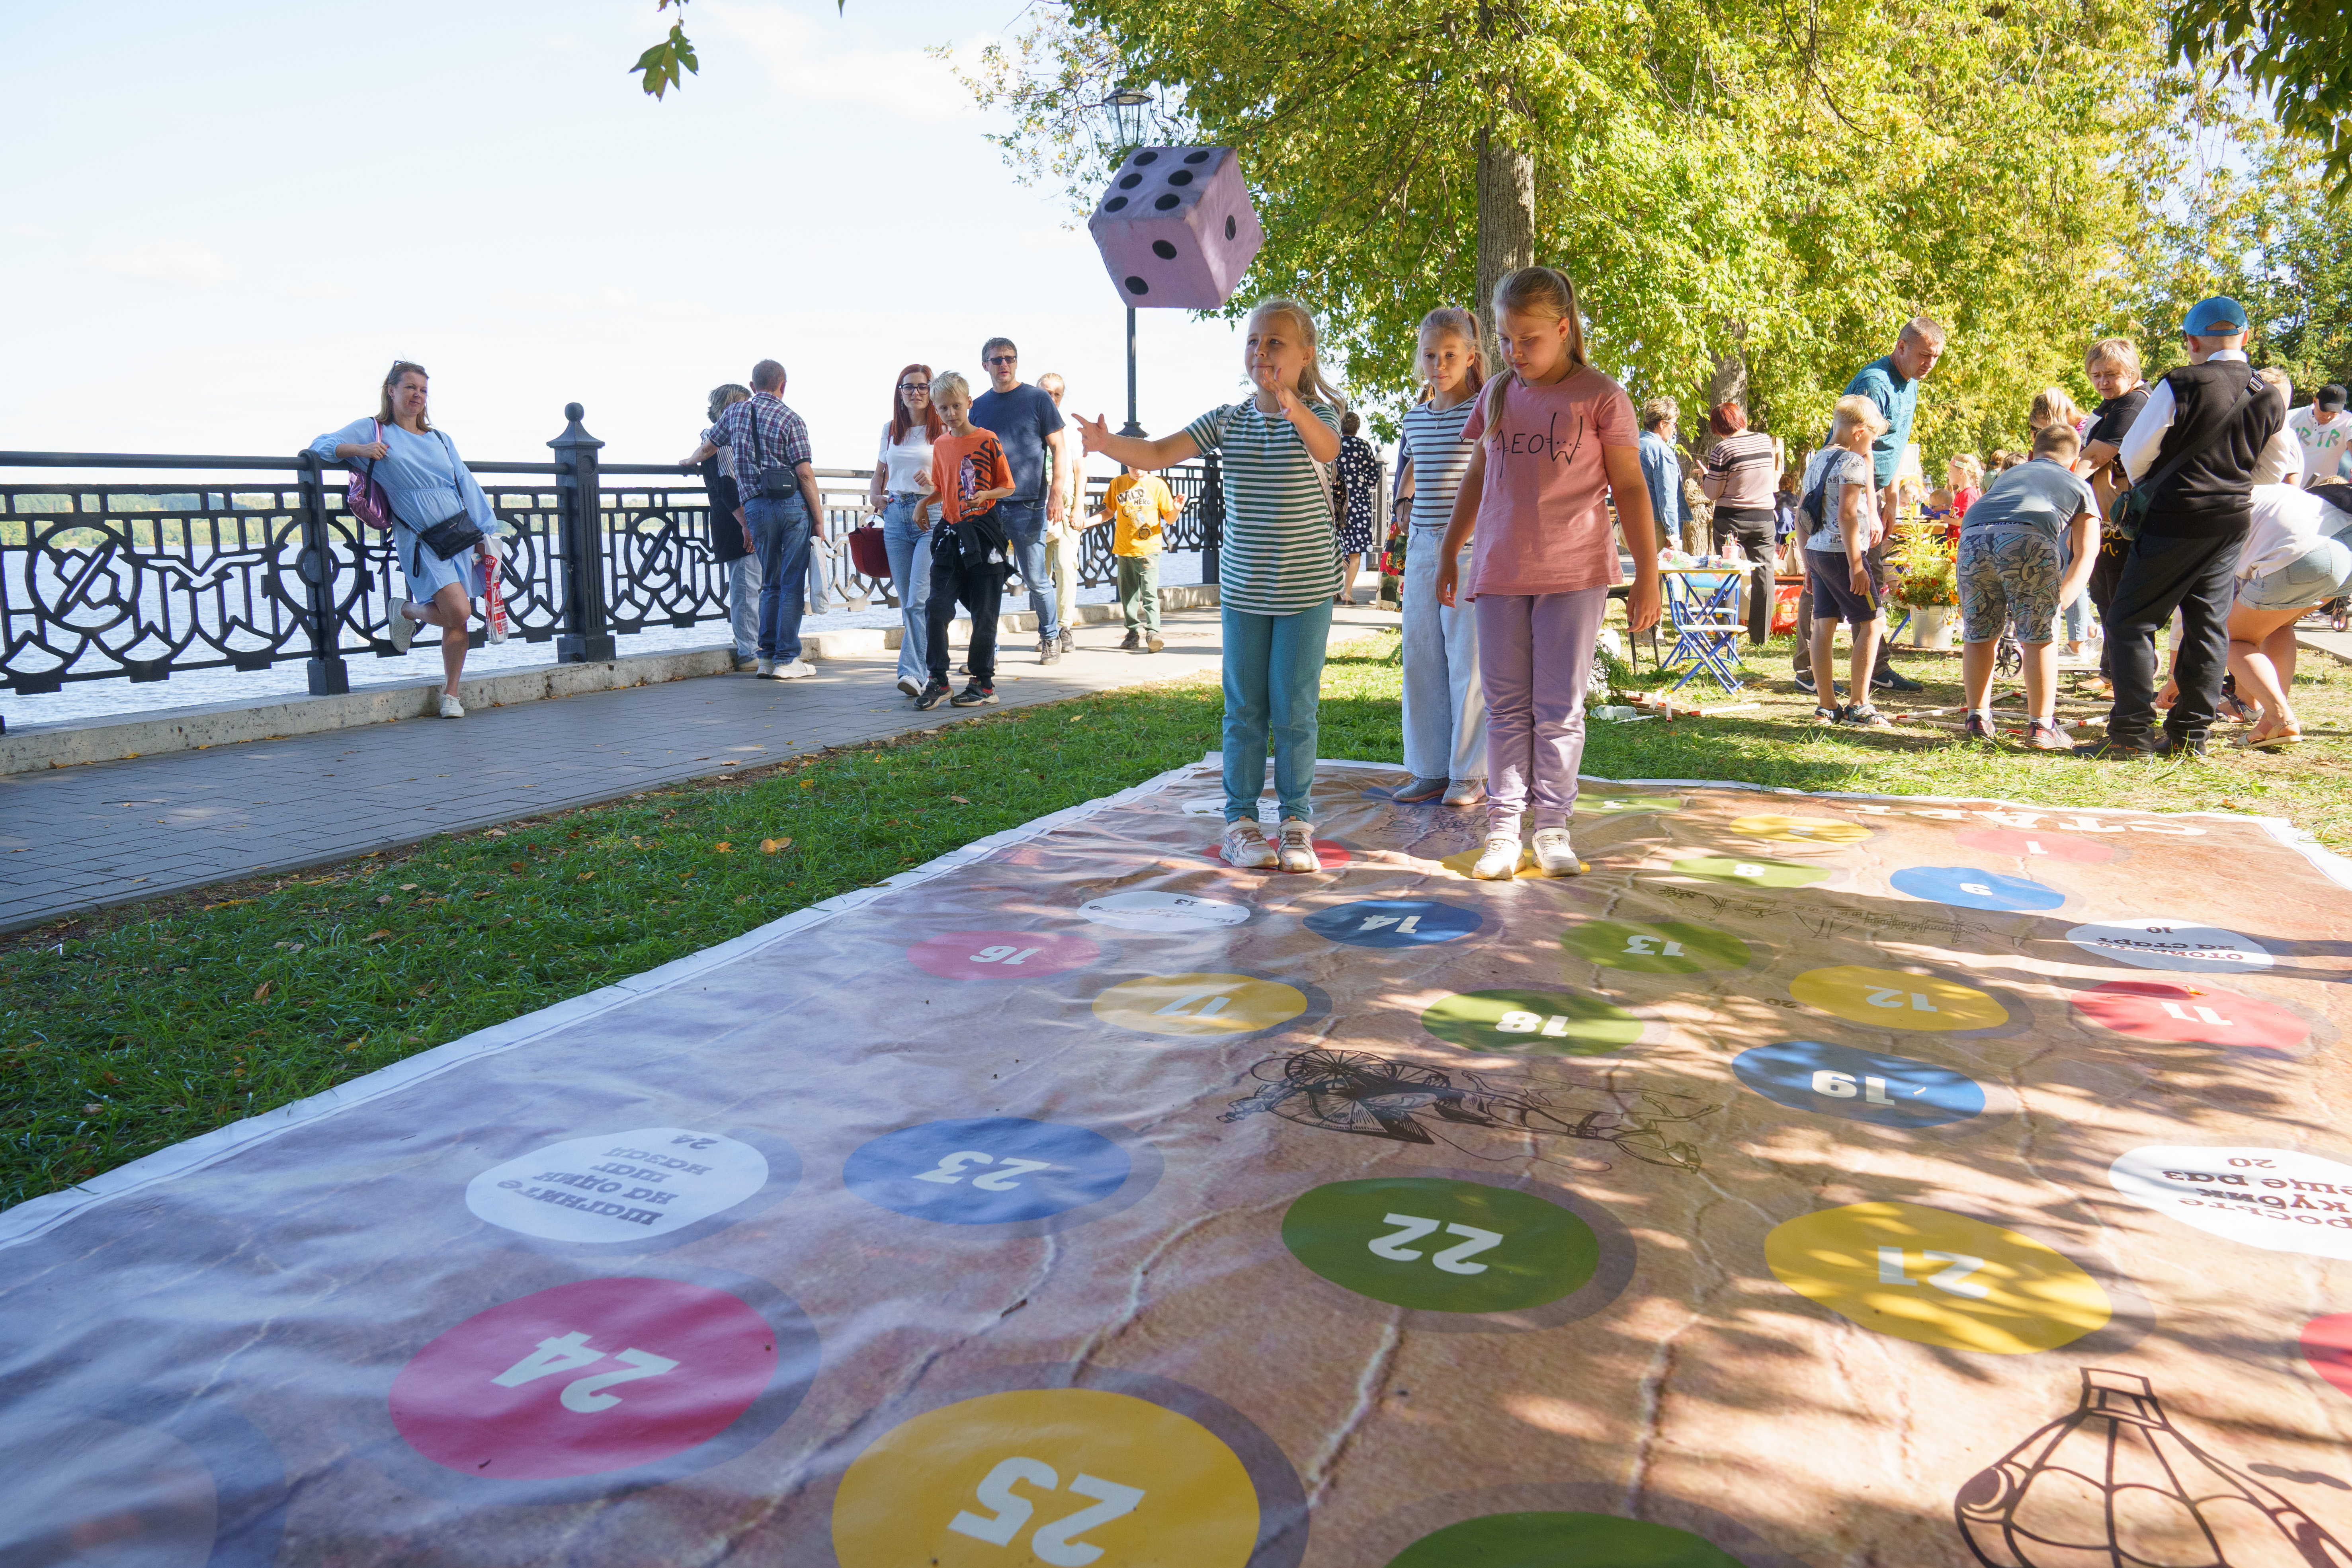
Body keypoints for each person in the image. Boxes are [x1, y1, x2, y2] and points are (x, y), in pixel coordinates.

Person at [1076, 296, 1346, 873]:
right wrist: (1107, 444)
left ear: (1305, 355)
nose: (1261, 350)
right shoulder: (1229, 420)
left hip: (1305, 591)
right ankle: (1241, 822)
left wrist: (1291, 403)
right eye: (1254, 340)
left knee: (1295, 708)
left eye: (1275, 341)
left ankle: (1296, 822)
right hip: (1246, 589)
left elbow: (1328, 448)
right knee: (1245, 707)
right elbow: (1156, 452)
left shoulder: (1319, 417)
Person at [1435, 266, 1664, 880]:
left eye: (1529, 339)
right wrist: (1451, 549)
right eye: (1507, 340)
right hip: (1501, 569)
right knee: (1506, 706)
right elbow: (1478, 478)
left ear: (1564, 329)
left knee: (1559, 707)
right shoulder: (1498, 393)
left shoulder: (1602, 396)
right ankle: (1504, 829)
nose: (1516, 352)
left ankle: (1554, 826)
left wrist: (1649, 573)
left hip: (1575, 573)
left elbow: (1632, 488)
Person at [2089, 296, 2295, 757]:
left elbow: (2137, 452)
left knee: (2130, 621)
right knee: (2208, 625)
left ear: (2192, 341)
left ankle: (2131, 735)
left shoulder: (2181, 381)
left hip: (2174, 515)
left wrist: (2160, 486)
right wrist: (2228, 483)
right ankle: (2189, 738)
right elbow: (2275, 466)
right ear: (2246, 337)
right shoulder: (2266, 391)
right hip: (2230, 519)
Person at [311, 361, 502, 718]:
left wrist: (486, 533)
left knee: (458, 619)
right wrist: (361, 450)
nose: (418, 395)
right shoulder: (375, 430)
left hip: (459, 534)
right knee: (460, 610)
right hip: (420, 538)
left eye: (424, 390)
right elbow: (320, 447)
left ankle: (451, 694)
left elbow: (466, 484)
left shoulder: (441, 439)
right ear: (392, 390)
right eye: (411, 387)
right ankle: (405, 610)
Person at [1393, 306, 1489, 807]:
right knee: (1422, 656)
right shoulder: (1413, 417)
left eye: (1450, 354)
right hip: (1423, 545)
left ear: (1471, 356)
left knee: (1466, 662)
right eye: (1430, 354)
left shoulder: (1483, 412)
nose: (1439, 363)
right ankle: (1429, 768)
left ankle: (1469, 773)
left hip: (1470, 546)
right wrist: (1401, 505)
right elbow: (1410, 469)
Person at [1953, 423, 2100, 748]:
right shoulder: (2077, 483)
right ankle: (2042, 727)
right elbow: (2087, 553)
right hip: (2027, 538)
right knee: (2038, 636)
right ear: (2074, 461)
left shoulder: (2008, 476)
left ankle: (1978, 718)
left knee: (1980, 631)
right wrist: (2059, 602)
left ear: (2032, 454)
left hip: (1973, 537)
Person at [1831, 317, 1945, 695]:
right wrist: (1868, 502)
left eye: (1936, 357)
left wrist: (1891, 499)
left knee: (1873, 578)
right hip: (1845, 488)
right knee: (1828, 576)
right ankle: (1806, 669)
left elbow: (1892, 447)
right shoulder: (1875, 383)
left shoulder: (1911, 385)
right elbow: (1858, 446)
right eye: (1924, 355)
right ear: (1902, 347)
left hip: (1876, 491)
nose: (1930, 363)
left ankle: (1877, 668)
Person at [691, 359, 823, 680]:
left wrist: (689, 459)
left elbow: (709, 447)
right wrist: (818, 519)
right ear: (784, 385)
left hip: (755, 508)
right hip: (791, 506)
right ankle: (788, 658)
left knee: (769, 584)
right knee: (791, 583)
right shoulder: (792, 418)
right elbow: (804, 474)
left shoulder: (735, 413)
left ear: (752, 387)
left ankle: (765, 658)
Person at [2212, 480, 2352, 747]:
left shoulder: (2201, 510)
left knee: (2229, 638)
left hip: (2305, 556)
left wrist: (2180, 675)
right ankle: (2271, 719)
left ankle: (2279, 717)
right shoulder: (2272, 492)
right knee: (2278, 624)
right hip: (2346, 553)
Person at [913, 372, 1016, 711]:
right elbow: (944, 488)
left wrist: (987, 493)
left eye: (957, 406)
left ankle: (983, 683)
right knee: (936, 606)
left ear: (969, 403)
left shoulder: (988, 440)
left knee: (984, 613)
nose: (951, 413)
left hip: (984, 532)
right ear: (936, 410)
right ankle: (938, 680)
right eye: (943, 408)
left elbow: (1009, 486)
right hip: (950, 531)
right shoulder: (941, 444)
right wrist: (923, 502)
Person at [970, 338, 1069, 664]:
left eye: (1009, 359)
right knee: (987, 583)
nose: (1004, 365)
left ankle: (1051, 637)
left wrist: (1057, 491)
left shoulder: (1038, 399)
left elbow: (1059, 447)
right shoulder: (979, 407)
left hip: (1028, 504)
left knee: (1036, 578)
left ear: (1016, 362)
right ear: (985, 365)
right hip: (988, 505)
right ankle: (988, 652)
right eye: (997, 359)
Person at [1799, 394, 1895, 729]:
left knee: (1823, 625)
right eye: (1873, 436)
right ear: (1859, 432)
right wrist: (1858, 565)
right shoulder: (1852, 462)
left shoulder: (1816, 460)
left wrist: (1807, 564)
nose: (1874, 444)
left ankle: (1827, 705)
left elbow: (1802, 514)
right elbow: (1848, 514)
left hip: (1817, 551)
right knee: (1873, 623)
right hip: (1843, 554)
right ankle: (1859, 703)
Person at [2077, 338, 2151, 698]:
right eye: (2096, 375)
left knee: (2123, 598)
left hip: (2126, 518)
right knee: (2105, 594)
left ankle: (2131, 677)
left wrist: (2055, 485)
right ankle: (2111, 672)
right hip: (2108, 517)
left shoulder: (2134, 403)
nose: (2102, 382)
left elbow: (2094, 456)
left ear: (2132, 372)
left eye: (2110, 374)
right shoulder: (2112, 404)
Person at [867, 363, 940, 699]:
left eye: (922, 387)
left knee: (918, 599)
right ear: (900, 393)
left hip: (931, 515)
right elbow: (880, 471)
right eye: (908, 387)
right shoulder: (890, 429)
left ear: (932, 390)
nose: (915, 393)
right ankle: (930, 667)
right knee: (909, 601)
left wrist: (934, 484)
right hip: (895, 516)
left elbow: (955, 479)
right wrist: (876, 496)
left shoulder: (942, 431)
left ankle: (912, 672)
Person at [681, 383, 759, 673]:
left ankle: (752, 646)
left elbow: (704, 447)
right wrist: (746, 525)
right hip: (737, 521)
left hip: (733, 520)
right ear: (728, 410)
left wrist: (691, 460)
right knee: (747, 588)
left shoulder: (715, 440)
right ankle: (749, 651)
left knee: (749, 586)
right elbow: (728, 487)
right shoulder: (726, 442)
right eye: (742, 406)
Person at [1699, 400, 1781, 644]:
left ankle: (1723, 632)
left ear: (1718, 427)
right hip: (1764, 517)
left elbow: (1713, 492)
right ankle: (1760, 636)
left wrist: (1706, 475)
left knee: (1725, 573)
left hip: (1731, 520)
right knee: (1764, 572)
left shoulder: (1723, 450)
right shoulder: (1765, 441)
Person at [1091, 463, 1179, 652]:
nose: (1137, 470)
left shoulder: (1158, 485)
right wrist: (1086, 523)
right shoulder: (1118, 483)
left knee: (1149, 592)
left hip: (1150, 549)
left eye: (1141, 465)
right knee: (1128, 594)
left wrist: (1177, 509)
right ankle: (1132, 633)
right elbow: (1108, 512)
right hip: (1124, 548)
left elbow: (1170, 518)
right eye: (1132, 466)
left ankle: (1153, 632)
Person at [1036, 372, 1086, 645]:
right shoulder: (1029, 425)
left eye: (1057, 393)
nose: (1051, 398)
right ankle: (1047, 630)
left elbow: (1081, 471)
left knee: (1066, 565)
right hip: (1036, 510)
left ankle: (1065, 627)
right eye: (1046, 392)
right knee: (1039, 574)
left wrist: (1079, 506)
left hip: (1066, 510)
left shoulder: (1068, 431)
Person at [1333, 410, 1382, 605]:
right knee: (1355, 551)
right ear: (1357, 428)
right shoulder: (1363, 446)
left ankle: (1334, 590)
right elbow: (1373, 477)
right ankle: (1348, 592)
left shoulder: (1333, 444)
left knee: (1335, 546)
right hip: (1359, 503)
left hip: (1336, 503)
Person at [1637, 398, 1692, 557]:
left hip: (1629, 522)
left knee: (1644, 575)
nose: (1675, 430)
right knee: (1658, 578)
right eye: (1674, 425)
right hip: (1655, 526)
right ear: (1662, 424)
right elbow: (1667, 495)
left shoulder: (1631, 444)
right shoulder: (1661, 451)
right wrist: (1673, 533)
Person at [2289, 385, 2349, 489]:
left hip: (2322, 491)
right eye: (2324, 411)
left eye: (2333, 413)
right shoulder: (2291, 417)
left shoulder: (2348, 421)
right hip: (2288, 487)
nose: (2327, 416)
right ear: (2315, 401)